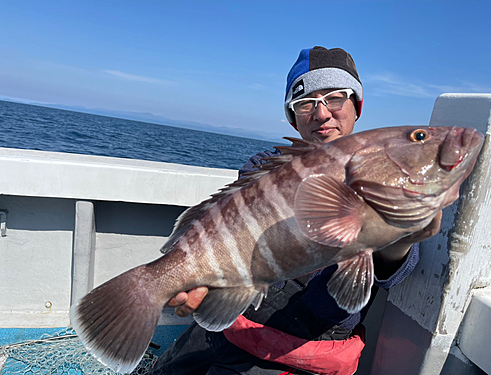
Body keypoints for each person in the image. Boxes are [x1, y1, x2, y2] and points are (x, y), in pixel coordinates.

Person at [151, 47, 441, 375]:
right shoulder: (262, 167)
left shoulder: (381, 171)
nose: (321, 113)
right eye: (305, 103)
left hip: (307, 355)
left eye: (335, 97)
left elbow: (391, 270)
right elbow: (228, 238)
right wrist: (196, 283)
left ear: (356, 106)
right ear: (293, 116)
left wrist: (401, 238)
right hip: (232, 332)